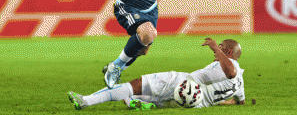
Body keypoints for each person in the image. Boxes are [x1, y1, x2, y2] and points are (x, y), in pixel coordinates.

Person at [68, 38, 245, 110]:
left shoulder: (230, 66)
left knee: (134, 86)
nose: (216, 52)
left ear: (228, 52)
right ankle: (139, 103)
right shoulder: (240, 83)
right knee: (148, 99)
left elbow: (231, 71)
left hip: (183, 83)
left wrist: (215, 47)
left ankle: (86, 101)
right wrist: (232, 102)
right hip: (192, 104)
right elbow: (240, 99)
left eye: (221, 49)